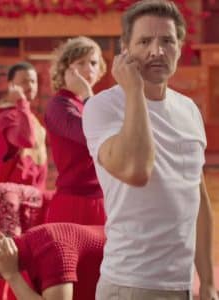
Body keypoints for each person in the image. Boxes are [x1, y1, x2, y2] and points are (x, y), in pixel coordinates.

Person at [82, 1, 218, 299]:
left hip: (182, 285)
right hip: (131, 284)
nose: (157, 51)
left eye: (167, 41)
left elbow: (197, 199)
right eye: (144, 41)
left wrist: (206, 282)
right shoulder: (102, 107)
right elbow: (136, 170)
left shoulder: (189, 111)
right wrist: (134, 91)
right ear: (125, 49)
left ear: (180, 47)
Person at [44, 36, 106, 225]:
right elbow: (93, 135)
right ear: (66, 70)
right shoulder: (59, 105)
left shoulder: (87, 103)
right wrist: (88, 93)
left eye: (94, 63)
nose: (90, 69)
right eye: (81, 63)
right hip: (75, 205)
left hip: (100, 201)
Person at [0, 223, 105, 300]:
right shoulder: (22, 252)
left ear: (0, 237)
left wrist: (12, 276)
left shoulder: (49, 247)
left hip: (126, 276)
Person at [0, 62, 47, 190]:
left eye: (33, 81)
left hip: (33, 194)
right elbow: (26, 140)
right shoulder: (6, 117)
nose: (30, 86)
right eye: (24, 82)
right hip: (11, 196)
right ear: (11, 86)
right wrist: (21, 103)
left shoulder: (29, 116)